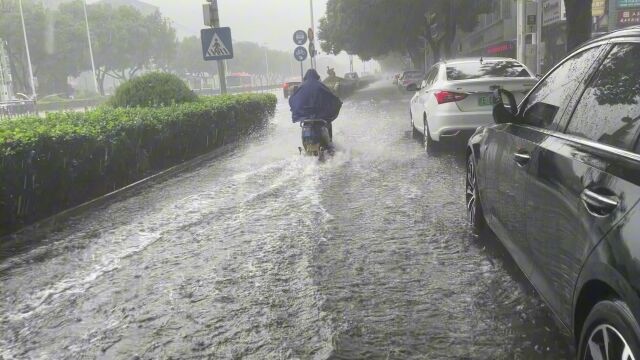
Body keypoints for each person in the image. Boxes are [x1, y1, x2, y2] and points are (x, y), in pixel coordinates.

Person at [289, 69, 342, 139]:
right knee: (328, 124)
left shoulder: (301, 87)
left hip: (306, 117)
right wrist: (338, 102)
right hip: (320, 116)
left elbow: (292, 100)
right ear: (316, 76)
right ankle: (330, 142)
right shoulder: (320, 86)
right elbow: (331, 97)